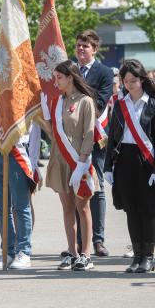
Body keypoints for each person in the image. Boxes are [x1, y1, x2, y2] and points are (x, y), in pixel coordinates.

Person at [43, 60, 97, 271]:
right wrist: (46, 117)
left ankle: (86, 254)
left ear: (70, 77)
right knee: (66, 208)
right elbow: (52, 134)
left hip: (78, 161)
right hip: (59, 159)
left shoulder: (85, 101)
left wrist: (82, 164)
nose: (55, 82)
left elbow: (89, 133)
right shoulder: (56, 102)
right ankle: (72, 252)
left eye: (59, 77)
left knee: (82, 208)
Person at [104, 59, 155, 273]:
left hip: (147, 162)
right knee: (131, 210)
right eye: (126, 81)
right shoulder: (120, 104)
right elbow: (112, 137)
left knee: (148, 210)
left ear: (142, 79)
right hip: (124, 159)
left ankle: (149, 257)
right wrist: (108, 167)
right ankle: (137, 255)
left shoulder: (152, 104)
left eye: (133, 80)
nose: (130, 84)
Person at [0, 93, 35, 270]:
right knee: (1, 208)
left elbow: (26, 131)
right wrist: (1, 138)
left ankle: (24, 251)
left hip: (16, 153)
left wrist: (6, 137)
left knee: (20, 206)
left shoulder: (22, 99)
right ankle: (7, 249)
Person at [75, 30, 113, 257]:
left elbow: (100, 101)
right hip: (73, 140)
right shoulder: (69, 71)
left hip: (96, 137)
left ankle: (98, 240)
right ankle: (80, 241)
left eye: (85, 46)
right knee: (77, 188)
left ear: (94, 49)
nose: (81, 49)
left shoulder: (104, 72)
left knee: (96, 188)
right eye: (78, 45)